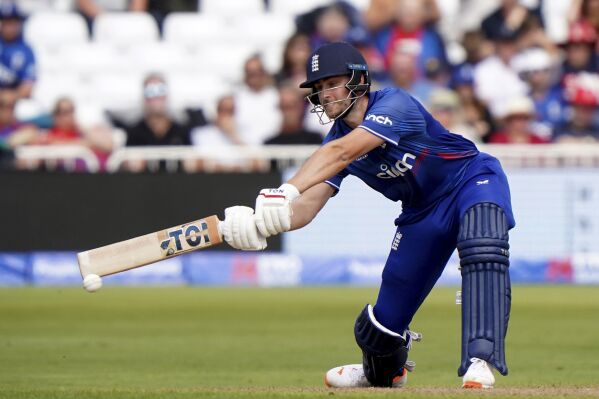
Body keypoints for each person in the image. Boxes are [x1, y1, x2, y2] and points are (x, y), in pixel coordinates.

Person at [220, 42, 515, 389]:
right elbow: (306, 208)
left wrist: (284, 190)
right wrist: (260, 224)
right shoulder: (335, 143)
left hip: (470, 179)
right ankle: (384, 373)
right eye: (319, 88)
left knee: (483, 242)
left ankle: (480, 360)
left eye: (332, 83)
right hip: (421, 213)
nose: (325, 95)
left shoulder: (394, 104)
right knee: (381, 331)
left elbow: (343, 152)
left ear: (359, 79)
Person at [0, 2, 36, 99]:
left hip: (14, 101)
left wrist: (8, 98)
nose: (9, 27)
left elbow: (27, 86)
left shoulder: (26, 50)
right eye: (6, 22)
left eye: (12, 22)